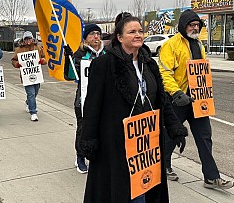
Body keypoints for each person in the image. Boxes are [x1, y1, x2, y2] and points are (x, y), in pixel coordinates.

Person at [80, 13, 188, 202]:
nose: (138, 35)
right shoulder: (104, 64)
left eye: (140, 31)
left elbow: (161, 99)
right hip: (117, 143)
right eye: (132, 32)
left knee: (146, 188)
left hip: (147, 142)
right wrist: (88, 140)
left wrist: (174, 127)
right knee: (126, 192)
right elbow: (92, 105)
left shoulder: (149, 63)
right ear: (120, 37)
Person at [158, 9, 234, 189]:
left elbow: (201, 69)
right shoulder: (171, 45)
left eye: (197, 25)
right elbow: (164, 72)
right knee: (172, 135)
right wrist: (176, 93)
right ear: (183, 26)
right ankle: (163, 165)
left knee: (205, 137)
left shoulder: (199, 44)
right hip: (177, 100)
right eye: (191, 25)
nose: (195, 28)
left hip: (198, 100)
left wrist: (205, 90)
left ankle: (211, 177)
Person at [64, 24, 106, 174]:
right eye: (92, 34)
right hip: (84, 100)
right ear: (86, 37)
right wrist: (68, 59)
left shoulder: (106, 53)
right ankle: (80, 157)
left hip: (104, 100)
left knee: (103, 130)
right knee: (83, 130)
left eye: (98, 34)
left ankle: (98, 157)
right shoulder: (80, 54)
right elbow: (69, 75)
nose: (96, 37)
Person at [11, 31, 47, 121]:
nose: (28, 41)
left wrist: (43, 61)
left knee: (35, 92)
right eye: (26, 39)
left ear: (32, 39)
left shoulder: (38, 47)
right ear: (23, 40)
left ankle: (28, 103)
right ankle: (33, 112)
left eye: (29, 38)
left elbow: (45, 57)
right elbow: (13, 60)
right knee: (31, 93)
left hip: (36, 74)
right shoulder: (19, 49)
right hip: (26, 76)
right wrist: (17, 64)